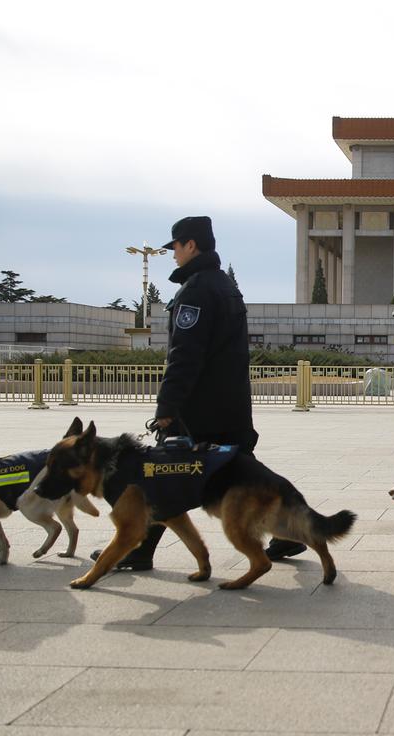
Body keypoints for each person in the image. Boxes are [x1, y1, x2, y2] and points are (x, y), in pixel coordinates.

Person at [95, 216, 271, 570]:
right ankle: (289, 531)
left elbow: (185, 355)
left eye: (174, 246)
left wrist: (167, 405)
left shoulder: (196, 290)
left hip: (198, 407)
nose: (172, 254)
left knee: (160, 475)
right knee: (241, 470)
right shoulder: (225, 285)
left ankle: (138, 548)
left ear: (191, 245)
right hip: (230, 402)